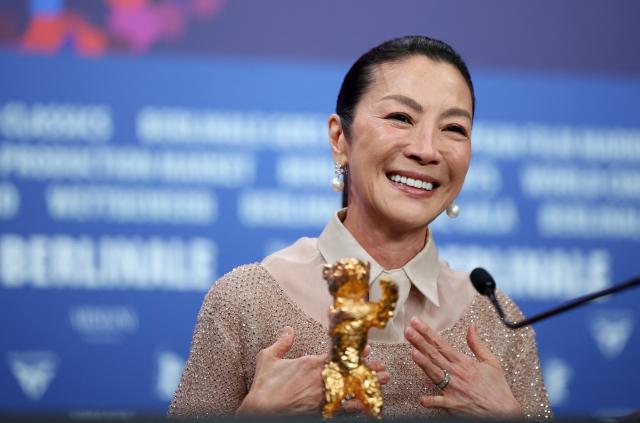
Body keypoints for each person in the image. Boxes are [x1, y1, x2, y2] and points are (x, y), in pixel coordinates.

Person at [168, 36, 552, 419]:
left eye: (453, 128)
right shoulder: (247, 300)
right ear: (340, 138)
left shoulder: (496, 320)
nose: (427, 150)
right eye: (400, 118)